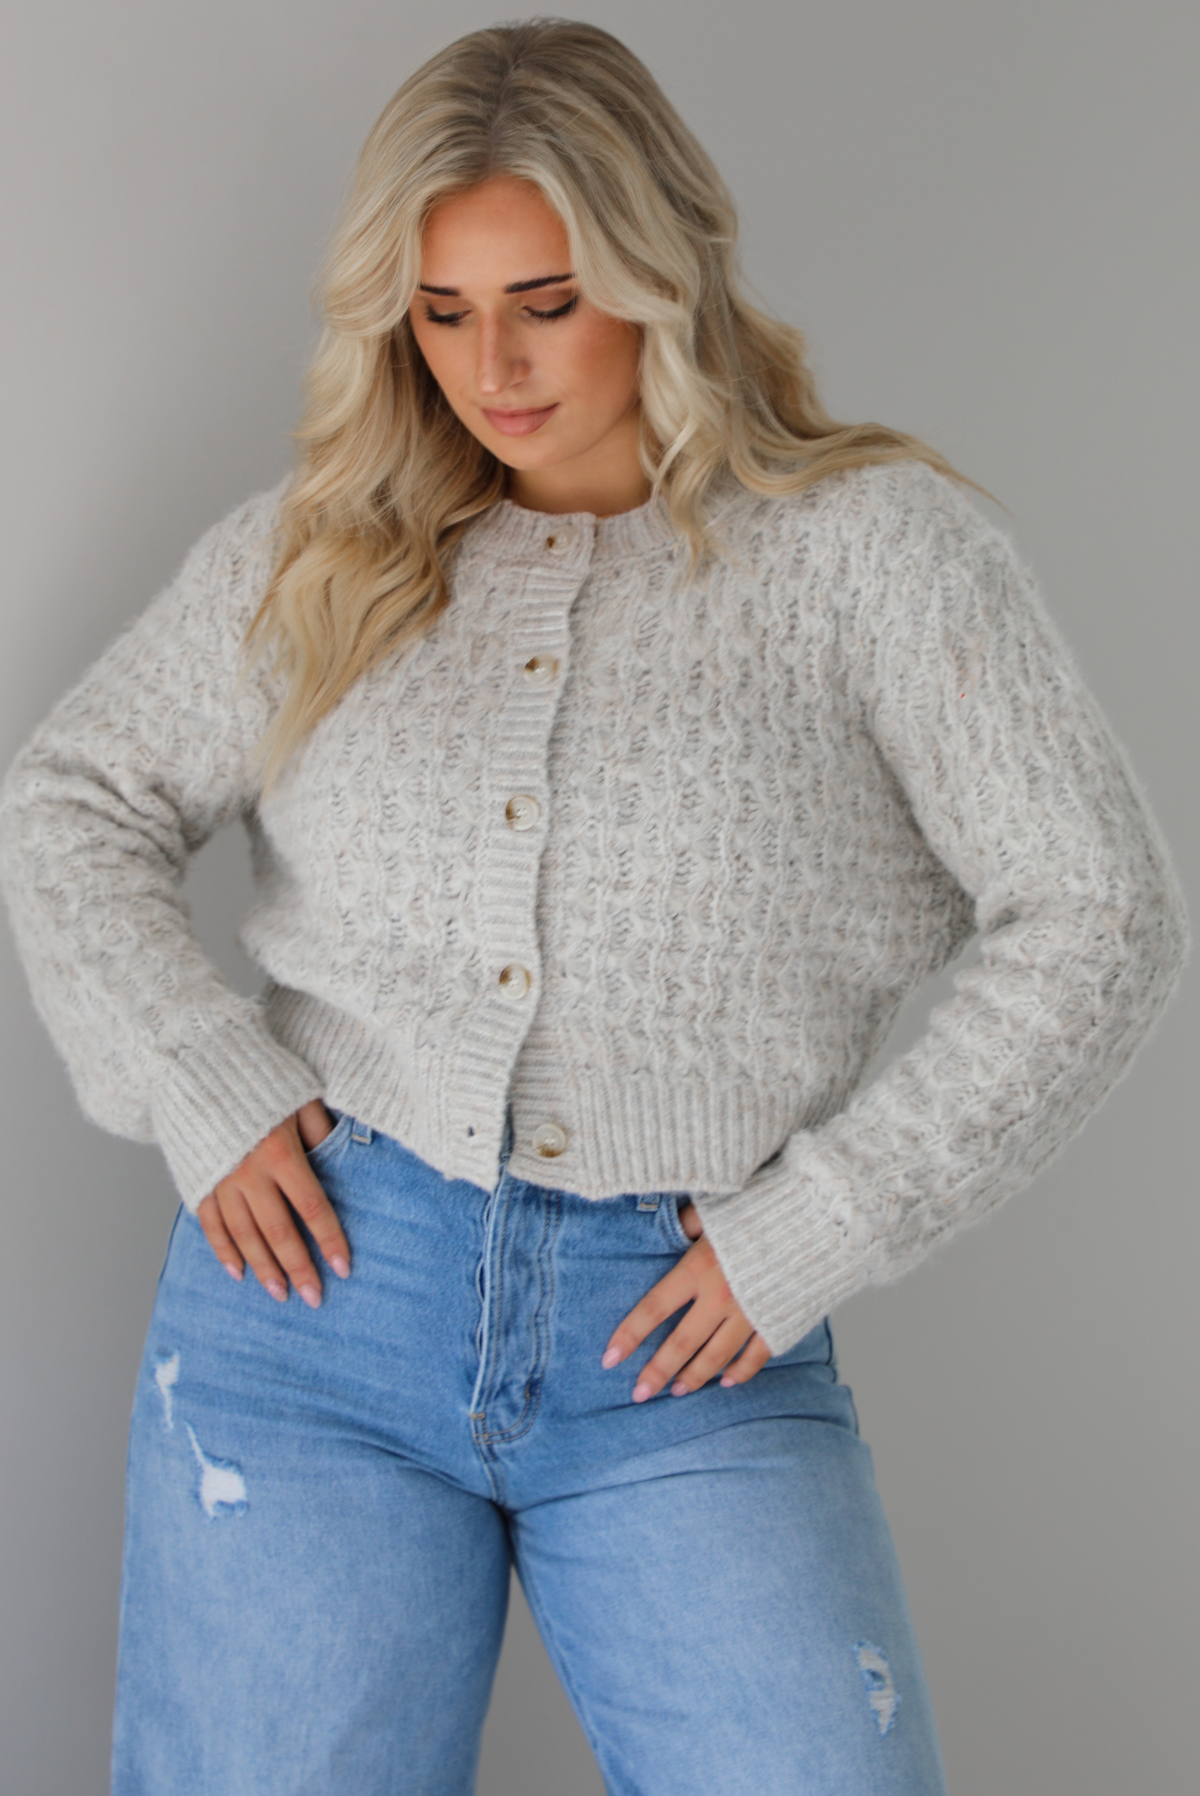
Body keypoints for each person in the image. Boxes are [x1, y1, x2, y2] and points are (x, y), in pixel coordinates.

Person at [0, 18, 1188, 1795]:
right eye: (444, 309)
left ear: (662, 264)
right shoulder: (325, 551)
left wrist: (824, 1222)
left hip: (682, 1331)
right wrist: (199, 1074)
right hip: (317, 1306)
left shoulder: (877, 556)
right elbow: (69, 799)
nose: (495, 363)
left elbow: (1102, 911)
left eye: (547, 298)